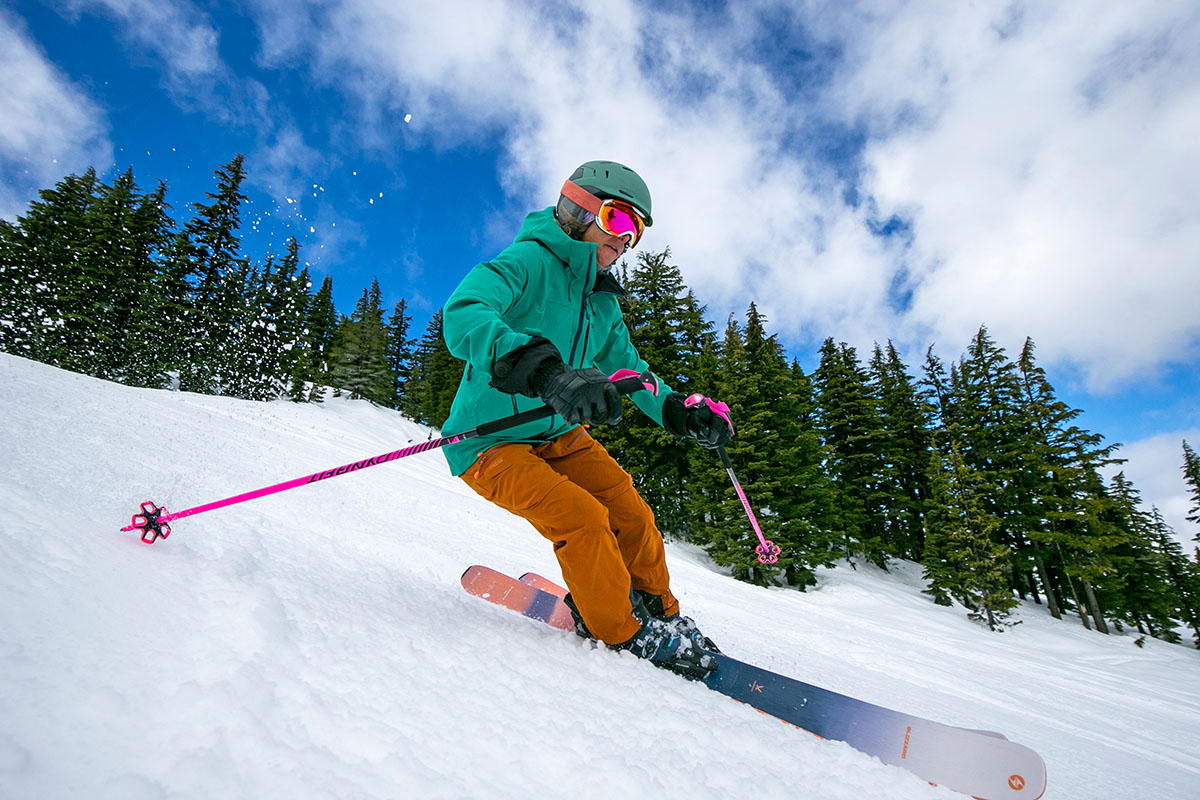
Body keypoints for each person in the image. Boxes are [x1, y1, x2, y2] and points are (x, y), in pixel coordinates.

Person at [441, 160, 733, 679]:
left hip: (557, 434)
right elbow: (465, 312)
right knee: (584, 518)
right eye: (620, 221)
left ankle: (659, 613)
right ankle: (621, 632)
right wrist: (545, 372)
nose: (626, 241)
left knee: (632, 514)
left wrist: (678, 411)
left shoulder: (602, 305)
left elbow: (633, 371)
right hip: (490, 444)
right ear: (578, 208)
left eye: (636, 234)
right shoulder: (527, 262)